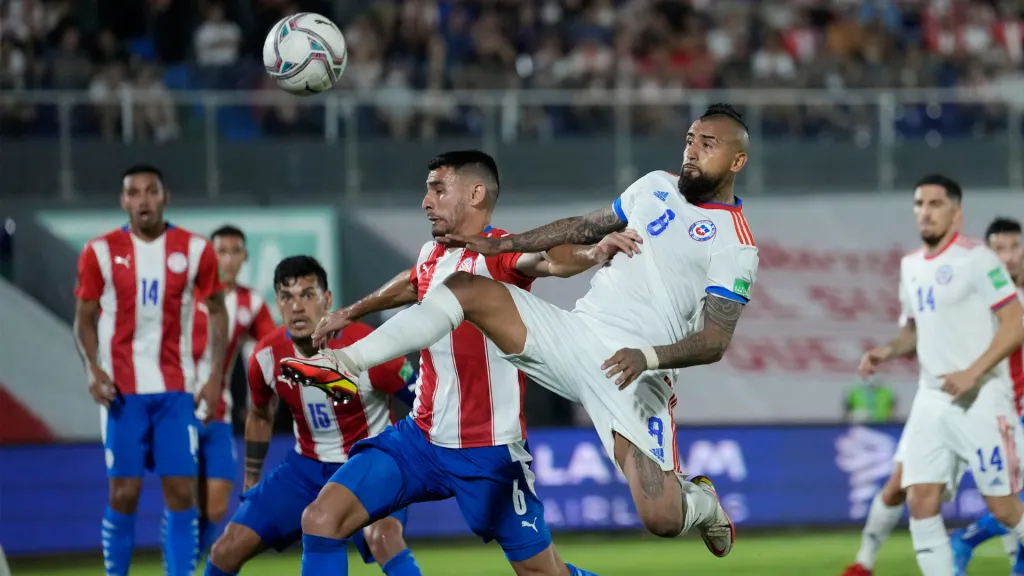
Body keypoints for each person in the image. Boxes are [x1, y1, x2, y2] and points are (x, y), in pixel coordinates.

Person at [285, 104, 757, 565]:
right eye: (690, 140)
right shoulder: (654, 186)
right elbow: (582, 226)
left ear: (737, 161)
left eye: (707, 144)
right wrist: (504, 243)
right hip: (576, 334)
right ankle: (343, 364)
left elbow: (715, 340)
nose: (691, 151)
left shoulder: (735, 244)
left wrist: (648, 357)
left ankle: (704, 505)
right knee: (468, 287)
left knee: (660, 516)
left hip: (634, 372)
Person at [283, 149, 636, 576]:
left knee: (544, 573)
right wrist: (350, 312)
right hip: (420, 439)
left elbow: (548, 259)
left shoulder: (500, 252)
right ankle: (344, 365)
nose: (426, 201)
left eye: (437, 188)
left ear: (475, 193)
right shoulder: (432, 254)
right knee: (321, 519)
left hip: (489, 451)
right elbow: (410, 285)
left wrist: (592, 254)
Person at [842, 174, 1024, 576]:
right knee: (919, 498)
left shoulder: (977, 259)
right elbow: (915, 329)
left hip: (982, 398)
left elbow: (1015, 323)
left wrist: (973, 372)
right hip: (932, 397)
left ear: (956, 213)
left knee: (1004, 508)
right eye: (919, 204)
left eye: (935, 204)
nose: (925, 212)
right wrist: (886, 351)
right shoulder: (910, 267)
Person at [204, 255, 422, 576]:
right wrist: (251, 479)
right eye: (287, 297)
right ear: (277, 303)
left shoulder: (371, 346)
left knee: (383, 536)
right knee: (226, 549)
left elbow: (422, 405)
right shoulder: (266, 357)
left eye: (308, 294)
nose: (297, 307)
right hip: (304, 469)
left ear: (327, 300)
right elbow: (261, 414)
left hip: (368, 464)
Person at [73, 164, 228, 576]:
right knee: (124, 494)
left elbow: (217, 313)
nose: (143, 200)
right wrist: (92, 368)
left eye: (151, 191)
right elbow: (83, 318)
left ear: (166, 196)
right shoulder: (99, 252)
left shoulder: (195, 250)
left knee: (181, 493)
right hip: (122, 393)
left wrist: (214, 378)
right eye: (134, 192)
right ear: (123, 201)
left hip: (176, 391)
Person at [191, 225, 276, 553]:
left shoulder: (250, 303)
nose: (227, 259)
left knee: (214, 507)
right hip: (179, 406)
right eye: (221, 251)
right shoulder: (187, 293)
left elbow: (272, 346)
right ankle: (182, 566)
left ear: (245, 257)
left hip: (219, 411)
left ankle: (195, 558)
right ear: (210, 257)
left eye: (234, 251)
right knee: (181, 498)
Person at [949, 216, 1024, 576]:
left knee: (1016, 505)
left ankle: (968, 541)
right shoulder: (983, 302)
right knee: (1012, 503)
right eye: (999, 249)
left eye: (1014, 247)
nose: (1008, 256)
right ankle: (966, 540)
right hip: (1005, 411)